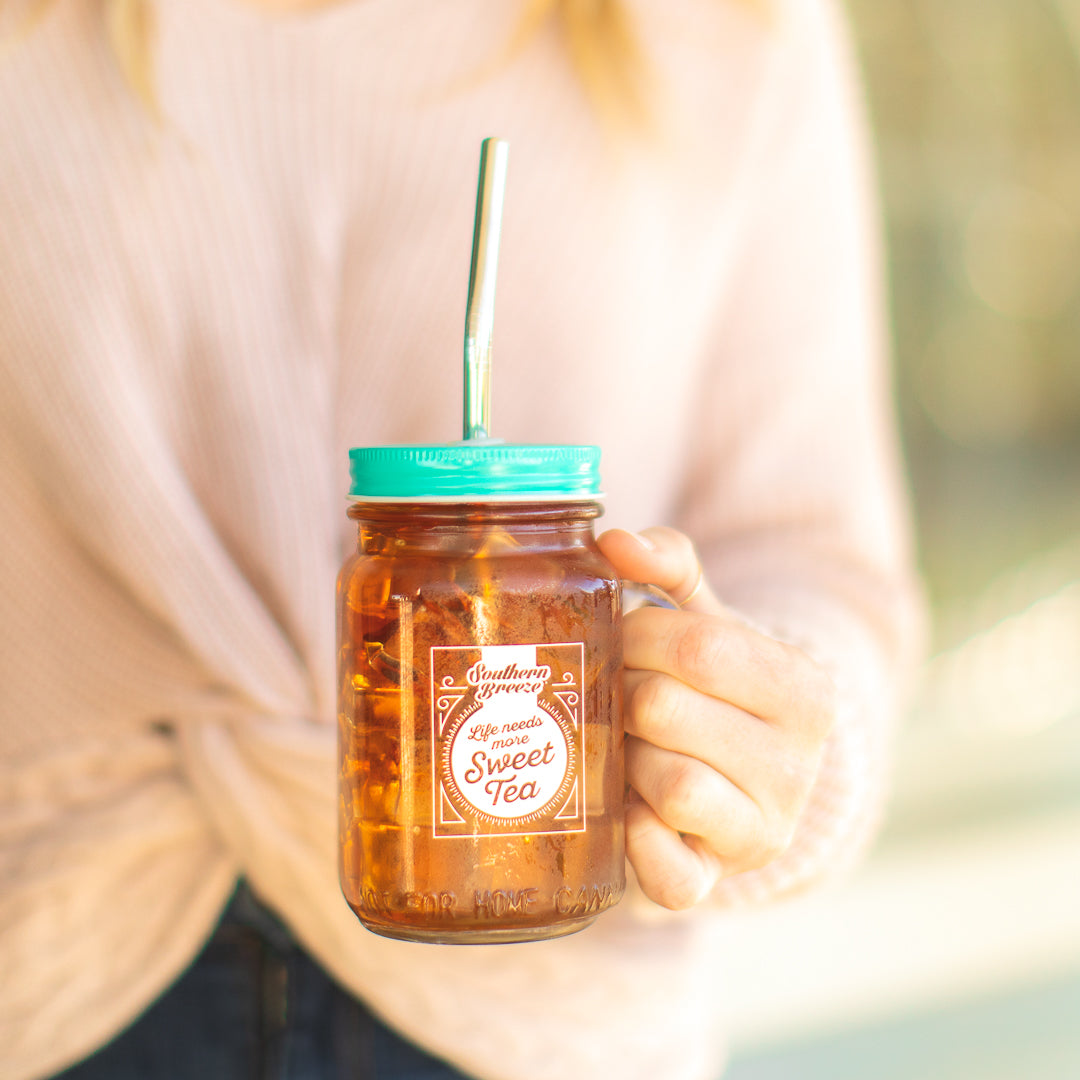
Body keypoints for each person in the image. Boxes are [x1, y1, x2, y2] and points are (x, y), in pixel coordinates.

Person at [0, 0, 922, 1078]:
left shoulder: (726, 28)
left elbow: (814, 560)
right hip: (55, 984)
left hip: (549, 1014)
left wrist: (758, 741)